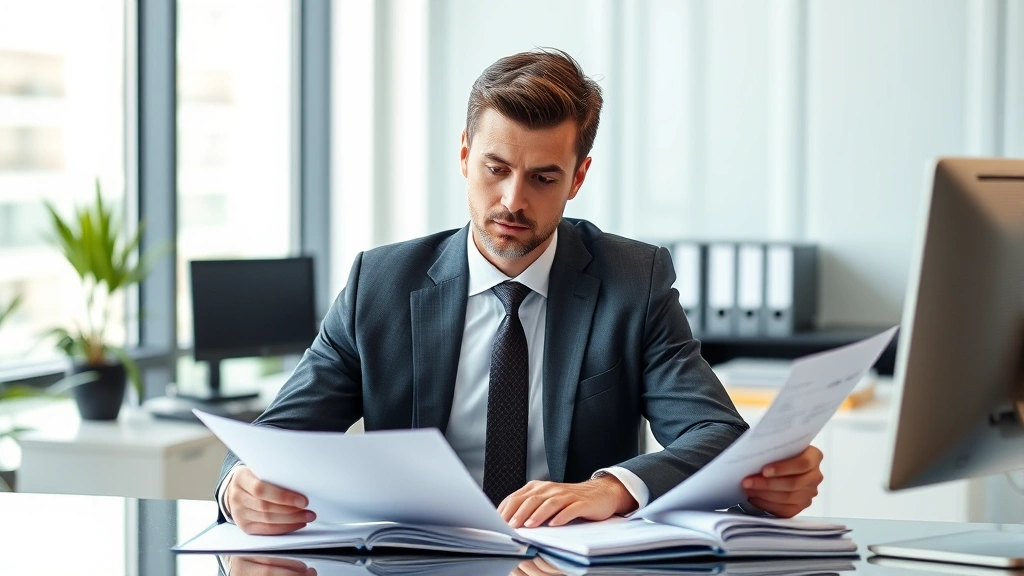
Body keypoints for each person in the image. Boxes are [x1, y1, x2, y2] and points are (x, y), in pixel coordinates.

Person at [216, 48, 824, 536]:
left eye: (543, 177)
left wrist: (609, 488)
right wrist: (237, 486)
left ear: (578, 178)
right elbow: (270, 443)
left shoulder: (631, 282)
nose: (512, 200)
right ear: (463, 154)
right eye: (495, 168)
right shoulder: (381, 284)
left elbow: (716, 435)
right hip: (416, 560)